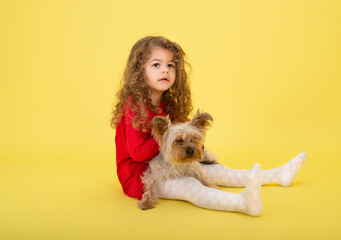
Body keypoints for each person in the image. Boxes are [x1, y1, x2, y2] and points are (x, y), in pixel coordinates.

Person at [110, 36, 306, 216]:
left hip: (172, 163)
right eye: (156, 65)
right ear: (139, 71)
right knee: (189, 184)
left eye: (171, 65)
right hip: (142, 174)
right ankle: (241, 202)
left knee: (216, 171)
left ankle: (278, 175)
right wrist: (166, 138)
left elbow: (189, 141)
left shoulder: (169, 104)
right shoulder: (133, 107)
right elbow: (137, 153)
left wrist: (192, 143)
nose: (165, 70)